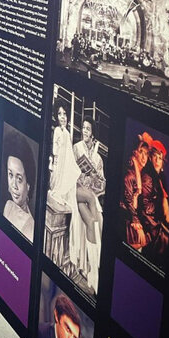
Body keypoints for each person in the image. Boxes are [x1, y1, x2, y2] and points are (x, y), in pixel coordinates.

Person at [71, 119, 104, 292]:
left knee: (94, 221)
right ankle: (94, 268)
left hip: (89, 196)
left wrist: (95, 176)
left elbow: (102, 186)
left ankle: (94, 271)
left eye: (87, 128)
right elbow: (69, 171)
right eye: (83, 128)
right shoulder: (76, 148)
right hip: (75, 191)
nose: (84, 131)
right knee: (93, 205)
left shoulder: (98, 158)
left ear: (93, 133)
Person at [138, 140, 169, 263]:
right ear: (150, 158)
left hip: (159, 223)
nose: (157, 161)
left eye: (160, 158)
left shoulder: (161, 178)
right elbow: (146, 208)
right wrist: (157, 230)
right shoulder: (148, 177)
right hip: (151, 227)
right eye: (154, 157)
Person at [2, 133, 35, 241]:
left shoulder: (30, 226)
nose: (13, 185)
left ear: (28, 185)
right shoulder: (8, 206)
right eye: (10, 175)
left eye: (19, 179)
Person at [120, 135, 151, 250]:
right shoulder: (130, 175)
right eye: (141, 152)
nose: (144, 157)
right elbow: (128, 200)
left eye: (146, 154)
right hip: (125, 216)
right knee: (138, 242)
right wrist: (136, 223)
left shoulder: (140, 174)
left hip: (132, 215)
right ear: (134, 153)